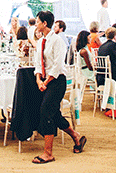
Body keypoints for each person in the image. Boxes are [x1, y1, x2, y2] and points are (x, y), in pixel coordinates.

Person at [30, 10, 86, 164]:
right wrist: (38, 80)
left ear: (45, 23)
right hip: (44, 81)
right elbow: (37, 63)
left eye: (38, 21)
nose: (36, 23)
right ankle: (76, 136)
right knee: (54, 114)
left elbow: (57, 65)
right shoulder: (41, 41)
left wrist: (46, 82)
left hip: (57, 82)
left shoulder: (57, 41)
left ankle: (48, 153)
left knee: (46, 111)